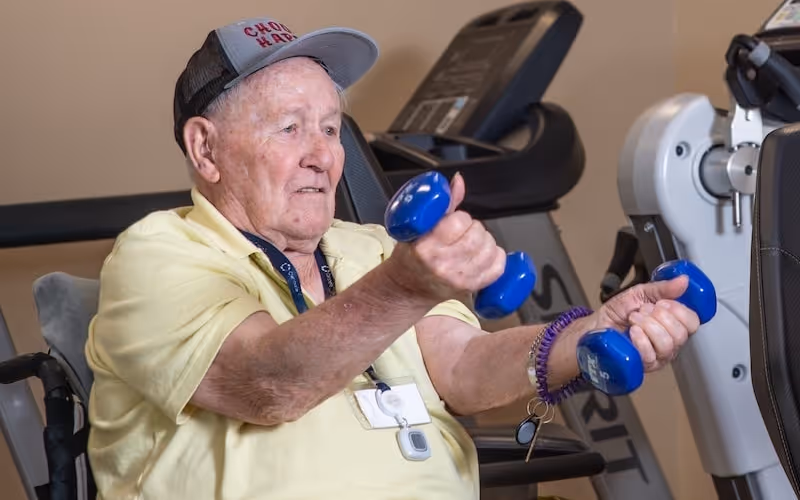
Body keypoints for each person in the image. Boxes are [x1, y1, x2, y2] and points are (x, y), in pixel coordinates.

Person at [85, 16, 701, 500]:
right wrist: (407, 287)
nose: (322, 156)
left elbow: (463, 370)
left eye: (330, 129)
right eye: (289, 127)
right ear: (206, 148)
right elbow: (266, 384)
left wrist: (593, 329)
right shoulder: (156, 254)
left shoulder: (370, 247)